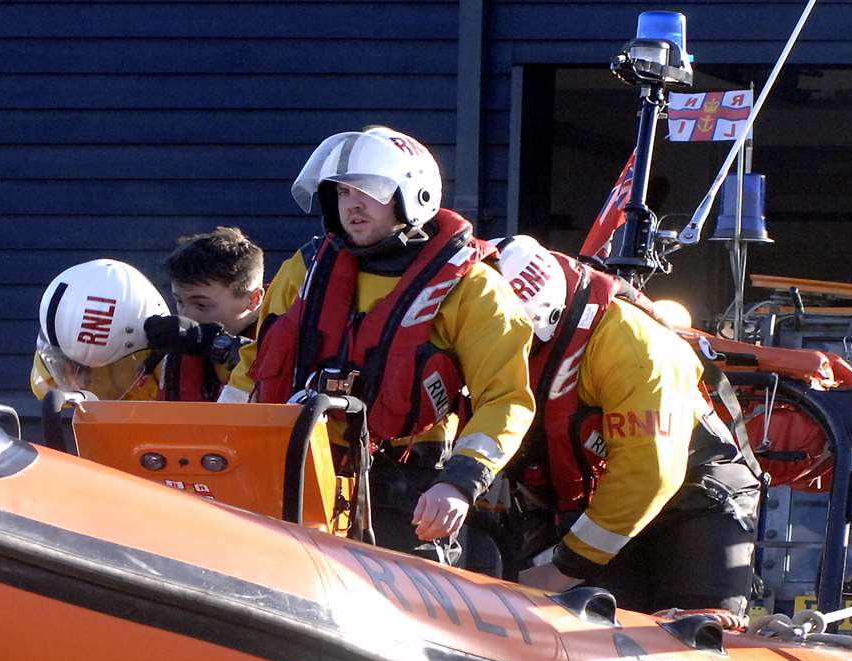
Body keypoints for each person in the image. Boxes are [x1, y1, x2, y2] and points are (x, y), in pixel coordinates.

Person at [226, 128, 536, 559]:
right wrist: (218, 437)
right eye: (341, 192)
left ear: (414, 194)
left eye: (368, 190)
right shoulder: (306, 268)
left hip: (408, 479)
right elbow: (253, 367)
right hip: (297, 466)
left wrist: (458, 483)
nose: (352, 203)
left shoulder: (474, 289)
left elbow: (506, 401)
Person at [492, 236, 760, 615]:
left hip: (690, 495)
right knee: (580, 626)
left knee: (695, 629)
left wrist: (566, 569)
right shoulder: (481, 337)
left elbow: (649, 472)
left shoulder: (633, 345)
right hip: (584, 503)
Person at [143, 227, 265, 402]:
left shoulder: (292, 335)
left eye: (201, 305)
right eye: (179, 301)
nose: (185, 315)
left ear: (253, 300)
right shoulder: (168, 347)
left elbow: (274, 366)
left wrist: (217, 344)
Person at [29, 259, 171, 402]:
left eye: (88, 370)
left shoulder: (166, 362)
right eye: (72, 364)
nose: (78, 383)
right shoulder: (55, 353)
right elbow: (48, 390)